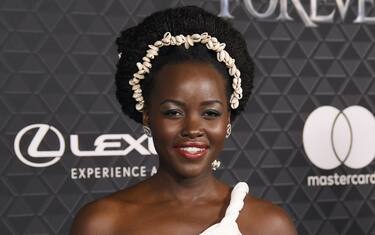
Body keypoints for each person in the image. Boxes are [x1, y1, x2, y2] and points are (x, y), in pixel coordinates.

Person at [70, 6, 298, 235]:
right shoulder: (102, 224)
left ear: (228, 118)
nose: (192, 129)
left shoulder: (268, 225)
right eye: (173, 112)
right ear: (147, 116)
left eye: (210, 113)